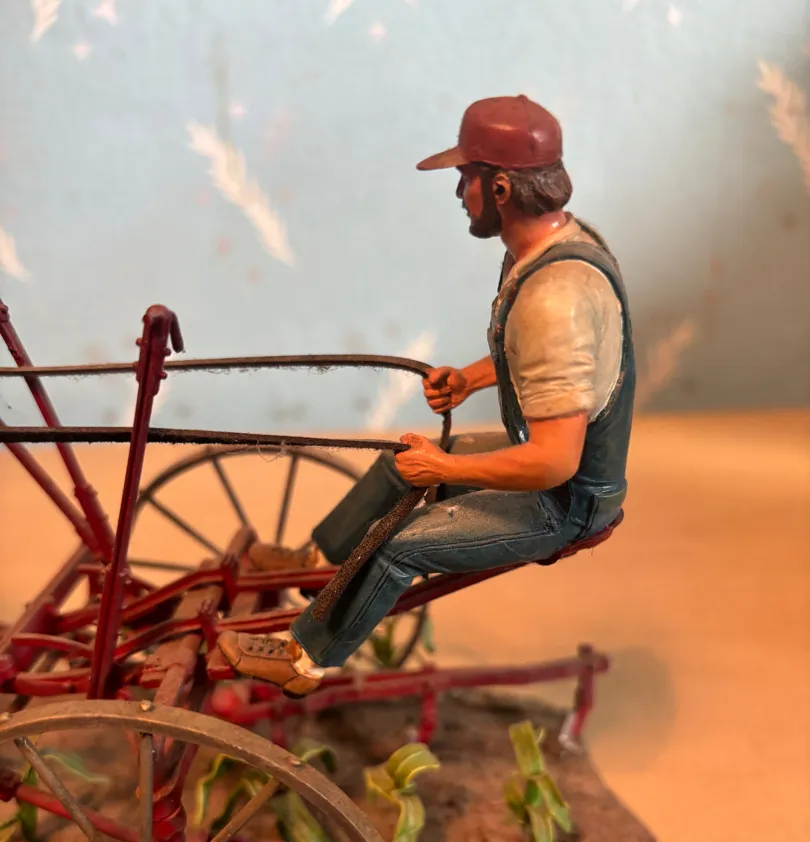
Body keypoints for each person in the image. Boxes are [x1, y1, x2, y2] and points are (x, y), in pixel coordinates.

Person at [218, 94, 635, 697]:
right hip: (552, 476)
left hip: (563, 503)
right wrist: (469, 379)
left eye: (466, 177)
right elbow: (545, 365)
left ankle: (304, 657)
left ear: (500, 188)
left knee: (398, 547)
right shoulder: (555, 248)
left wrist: (445, 468)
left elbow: (554, 461)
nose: (459, 192)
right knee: (398, 468)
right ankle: (320, 564)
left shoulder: (554, 299)